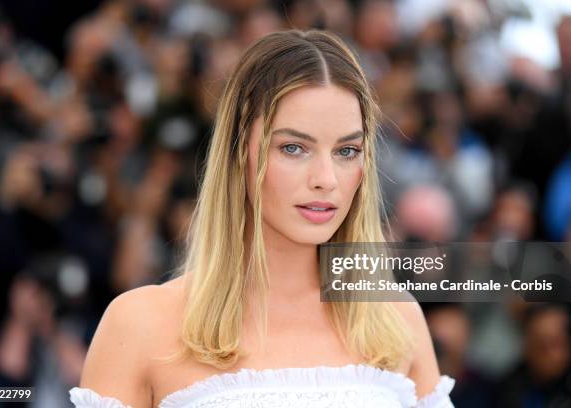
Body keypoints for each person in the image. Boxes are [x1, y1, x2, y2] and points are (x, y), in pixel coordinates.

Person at [68, 29, 455, 408]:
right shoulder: (140, 324)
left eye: (347, 151)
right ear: (240, 153)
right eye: (293, 147)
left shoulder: (397, 321)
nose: (326, 179)